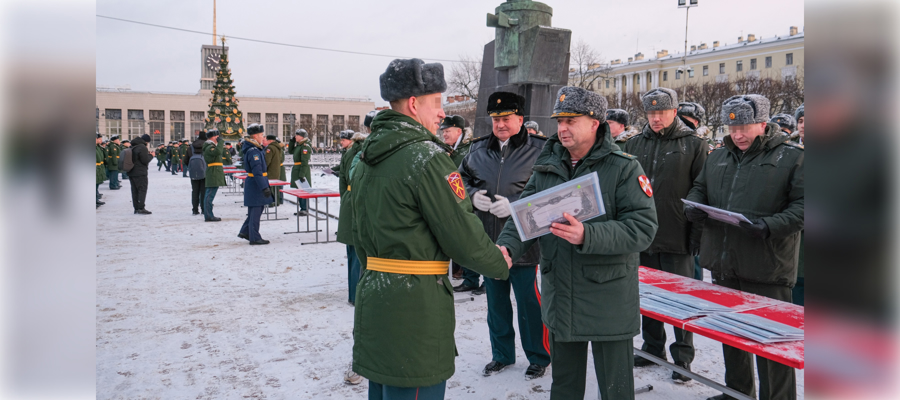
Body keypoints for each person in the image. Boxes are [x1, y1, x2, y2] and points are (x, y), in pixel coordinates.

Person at [350, 58, 513, 400]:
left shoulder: (366, 157)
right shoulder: (426, 158)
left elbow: (357, 231)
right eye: (436, 102)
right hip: (416, 304)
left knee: (384, 388)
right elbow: (461, 234)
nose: (442, 113)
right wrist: (498, 262)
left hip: (376, 293)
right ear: (413, 103)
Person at [496, 86, 658, 400]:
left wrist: (588, 235)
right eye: (559, 121)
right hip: (562, 295)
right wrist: (505, 248)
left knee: (616, 389)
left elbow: (643, 228)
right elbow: (523, 216)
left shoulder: (624, 168)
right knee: (565, 388)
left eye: (571, 120)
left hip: (607, 297)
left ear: (596, 123)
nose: (562, 128)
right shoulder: (548, 166)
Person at [685, 94, 803, 400]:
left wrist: (769, 227)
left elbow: (805, 206)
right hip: (724, 261)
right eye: (732, 127)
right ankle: (736, 392)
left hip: (767, 265)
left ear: (763, 124)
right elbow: (700, 188)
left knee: (771, 343)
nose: (737, 134)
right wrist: (695, 206)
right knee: (733, 333)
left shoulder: (792, 158)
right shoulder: (718, 156)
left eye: (745, 127)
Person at [458, 91, 551, 379]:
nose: (500, 124)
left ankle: (538, 356)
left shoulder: (540, 149)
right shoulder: (476, 150)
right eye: (496, 119)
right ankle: (502, 354)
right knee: (496, 304)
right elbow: (457, 180)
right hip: (488, 240)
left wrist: (516, 204)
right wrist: (471, 196)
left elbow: (550, 189)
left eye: (507, 118)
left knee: (529, 304)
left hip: (525, 242)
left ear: (520, 119)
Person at [623, 88, 708, 381]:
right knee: (647, 294)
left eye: (662, 112)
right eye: (651, 112)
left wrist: (696, 233)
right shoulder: (634, 143)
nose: (656, 118)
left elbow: (702, 190)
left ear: (674, 111)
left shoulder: (694, 145)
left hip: (677, 232)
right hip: (642, 232)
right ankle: (653, 347)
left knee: (681, 299)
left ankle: (683, 357)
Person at [439, 115, 476, 282]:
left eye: (447, 131)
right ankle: (461, 272)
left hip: (465, 201)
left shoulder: (468, 149)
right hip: (450, 202)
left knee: (467, 240)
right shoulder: (448, 149)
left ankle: (470, 278)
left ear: (459, 131)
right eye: (443, 131)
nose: (444, 134)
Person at [676, 101, 709, 281]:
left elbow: (702, 185)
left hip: (692, 214)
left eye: (687, 121)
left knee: (692, 269)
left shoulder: (698, 144)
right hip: (674, 215)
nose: (683, 124)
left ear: (696, 123)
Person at [238, 124, 273, 245]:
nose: (263, 138)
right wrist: (264, 187)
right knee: (256, 210)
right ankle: (254, 237)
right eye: (261, 135)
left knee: (255, 209)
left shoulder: (254, 149)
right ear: (255, 136)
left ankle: (246, 231)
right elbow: (257, 171)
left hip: (254, 183)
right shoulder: (254, 151)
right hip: (256, 184)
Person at [202, 129, 226, 222]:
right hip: (213, 172)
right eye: (217, 136)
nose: (218, 138)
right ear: (213, 137)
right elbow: (217, 152)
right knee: (209, 195)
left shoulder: (211, 146)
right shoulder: (209, 147)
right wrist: (221, 142)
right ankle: (208, 215)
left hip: (215, 172)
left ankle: (209, 214)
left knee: (210, 194)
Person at [288, 129, 313, 215]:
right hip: (297, 169)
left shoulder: (305, 146)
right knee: (299, 190)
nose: (295, 136)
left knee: (303, 190)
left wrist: (302, 174)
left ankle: (304, 209)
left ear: (302, 137)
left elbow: (305, 162)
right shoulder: (299, 145)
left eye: (297, 135)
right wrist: (291, 142)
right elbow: (291, 151)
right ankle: (302, 208)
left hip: (302, 170)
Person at [129, 134, 155, 215]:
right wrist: (151, 155)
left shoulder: (133, 146)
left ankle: (136, 208)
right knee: (142, 190)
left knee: (134, 190)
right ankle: (141, 208)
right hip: (140, 172)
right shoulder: (142, 147)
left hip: (131, 171)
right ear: (146, 141)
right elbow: (145, 160)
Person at [186, 131, 208, 216]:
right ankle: (203, 209)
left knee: (195, 191)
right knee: (203, 191)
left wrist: (192, 168)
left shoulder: (191, 147)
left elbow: (185, 160)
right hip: (204, 171)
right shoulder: (207, 146)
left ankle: (195, 209)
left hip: (193, 172)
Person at [264, 134, 285, 206]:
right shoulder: (278, 147)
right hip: (276, 170)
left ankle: (273, 202)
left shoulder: (270, 148)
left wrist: (263, 169)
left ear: (269, 140)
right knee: (276, 187)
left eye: (266, 140)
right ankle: (277, 201)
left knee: (271, 187)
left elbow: (267, 160)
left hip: (271, 170)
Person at [96, 133, 106, 208]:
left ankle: (96, 200)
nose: (101, 140)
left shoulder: (98, 147)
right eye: (99, 139)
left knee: (96, 185)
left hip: (99, 167)